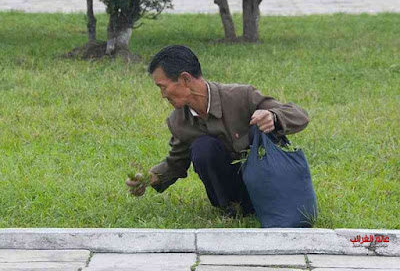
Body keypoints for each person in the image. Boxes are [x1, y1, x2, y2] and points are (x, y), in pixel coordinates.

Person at [126, 45, 309, 217]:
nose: (163, 95)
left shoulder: (241, 95)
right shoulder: (178, 121)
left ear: (185, 79)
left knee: (258, 128)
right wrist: (148, 179)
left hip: (270, 188)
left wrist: (273, 117)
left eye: (163, 87)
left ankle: (269, 201)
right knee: (202, 148)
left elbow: (299, 115)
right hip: (236, 193)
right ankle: (233, 207)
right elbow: (176, 162)